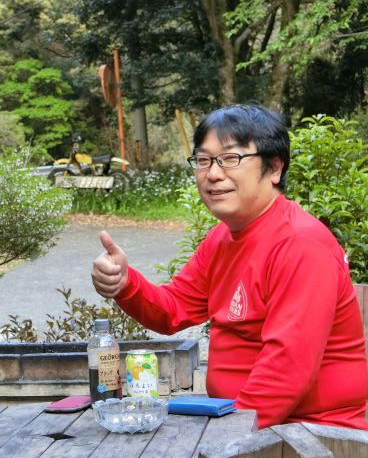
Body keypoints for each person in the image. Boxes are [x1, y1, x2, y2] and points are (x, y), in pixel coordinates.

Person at [91, 104, 368, 430]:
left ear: (274, 167)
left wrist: (222, 438)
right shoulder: (222, 238)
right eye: (204, 160)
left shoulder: (300, 243)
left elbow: (285, 372)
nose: (213, 174)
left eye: (230, 158)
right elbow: (173, 309)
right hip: (245, 421)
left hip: (311, 432)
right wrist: (125, 284)